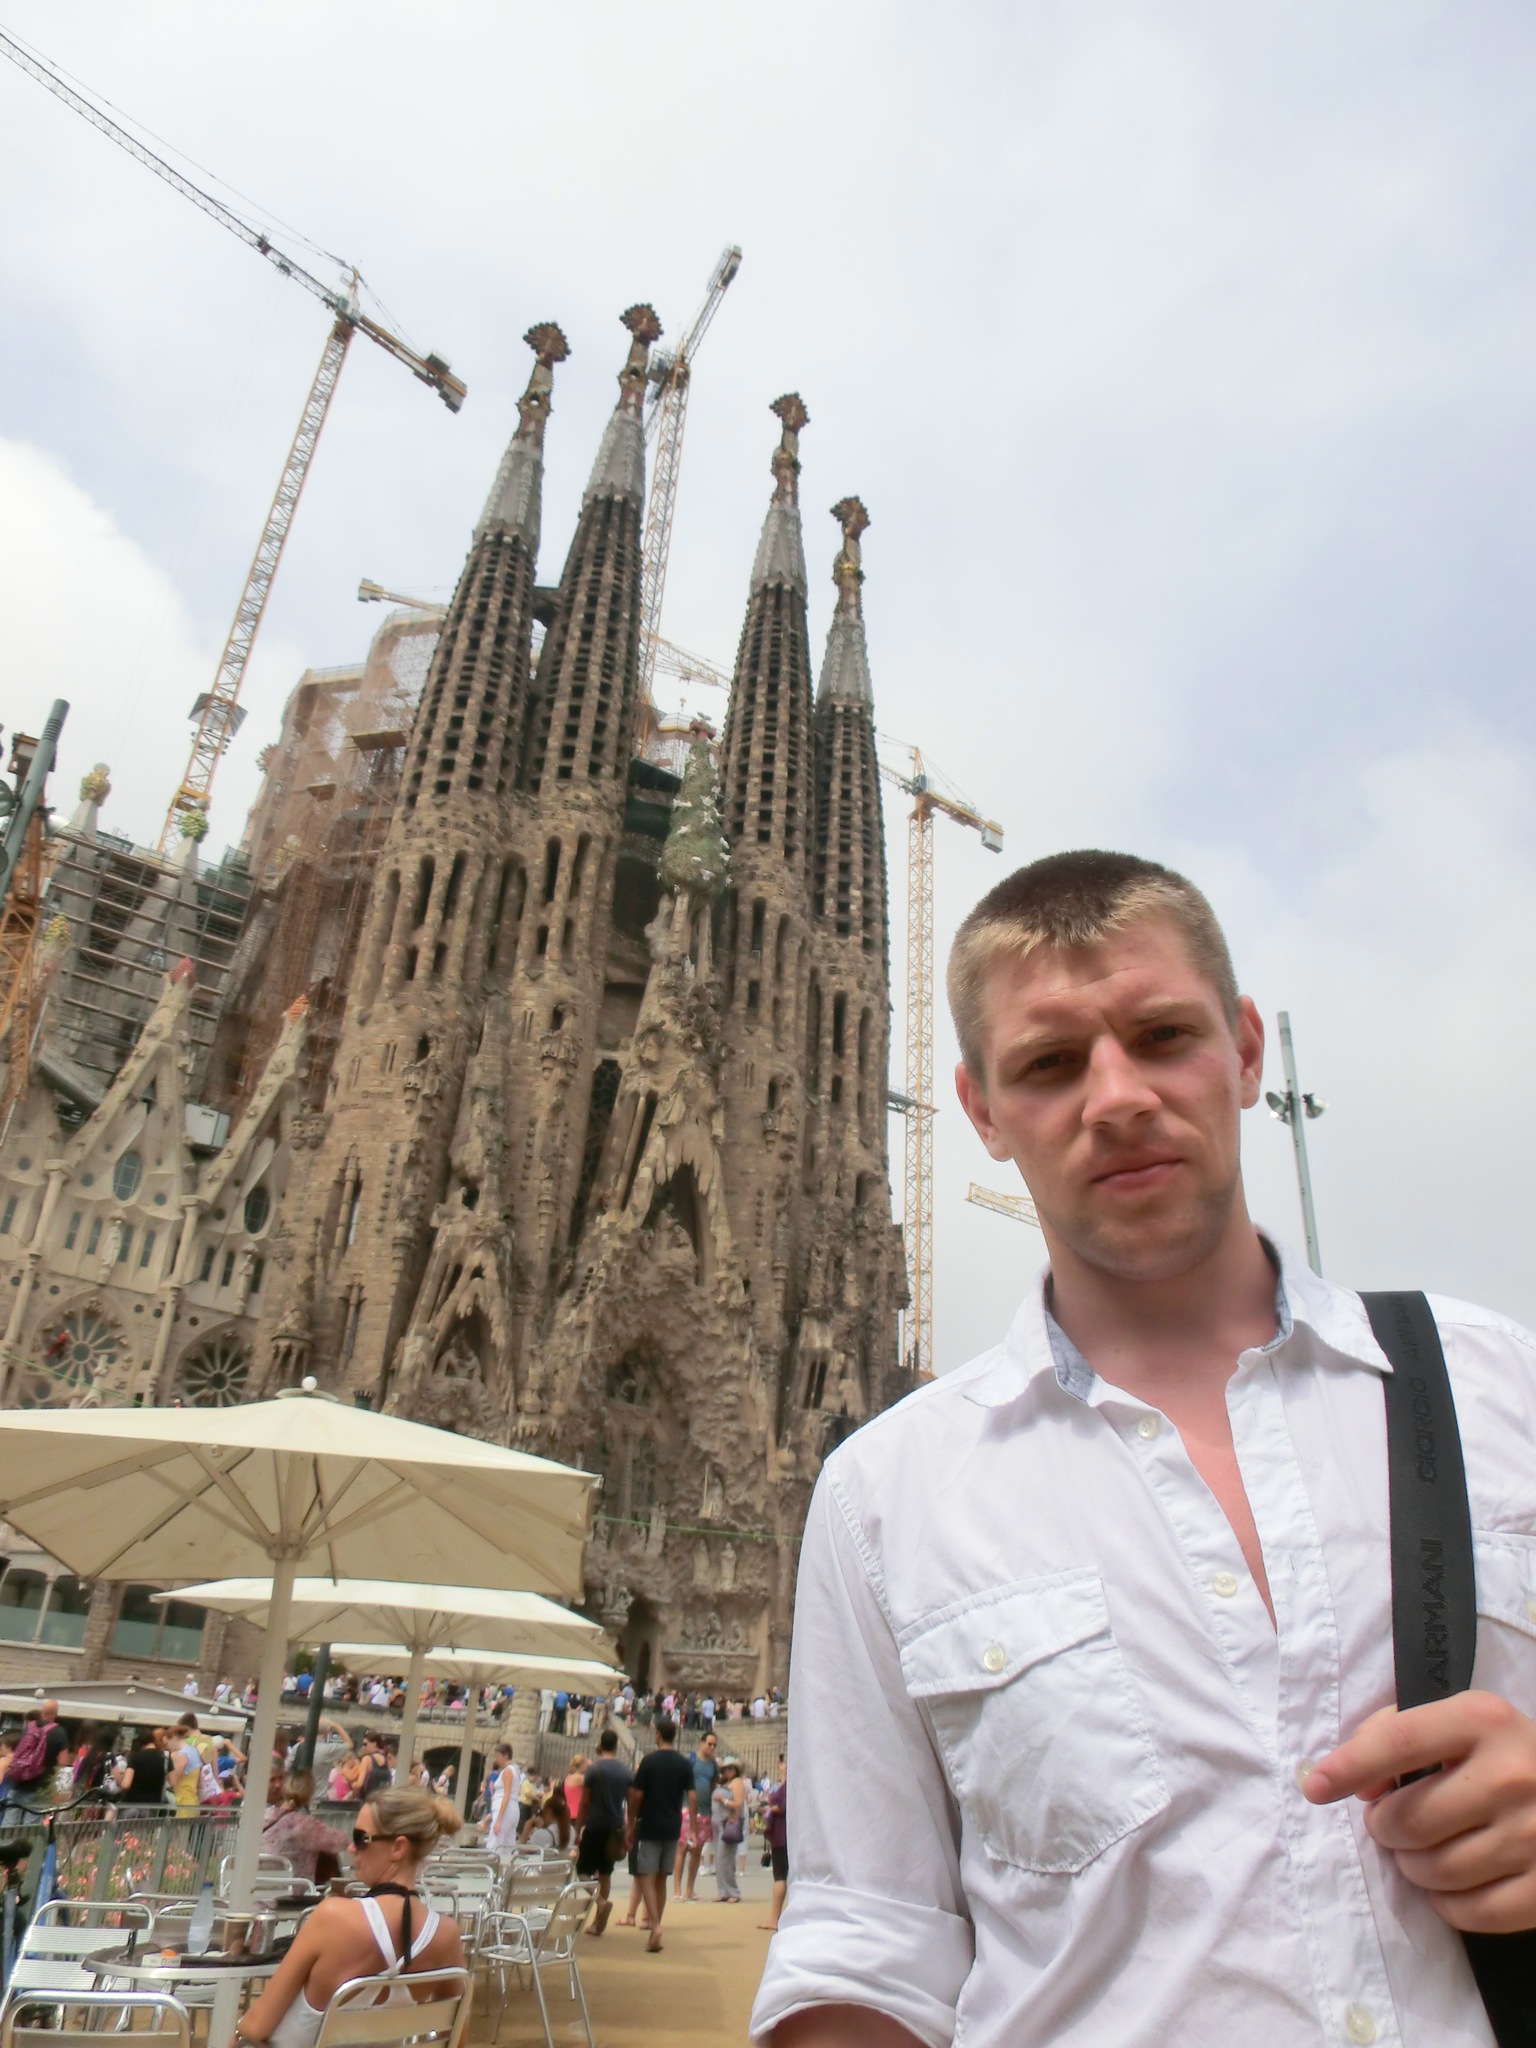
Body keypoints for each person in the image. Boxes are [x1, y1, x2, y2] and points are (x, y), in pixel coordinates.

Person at [752, 849, 1536, 2048]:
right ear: (982, 1109)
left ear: (1246, 1050)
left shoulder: (1501, 1388)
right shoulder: (887, 1493)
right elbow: (868, 1943)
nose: (1116, 1096)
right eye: (1051, 1062)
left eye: (1162, 1035)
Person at [237, 1787, 467, 2048]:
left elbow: (255, 2026)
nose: (350, 1847)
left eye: (361, 1838)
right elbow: (457, 2038)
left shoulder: (334, 1917)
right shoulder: (445, 1935)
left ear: (398, 1848)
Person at [625, 1716, 695, 1954]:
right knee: (662, 1878)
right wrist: (692, 1826)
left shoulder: (649, 1761)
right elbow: (692, 1796)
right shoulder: (683, 1763)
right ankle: (656, 1922)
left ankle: (654, 1924)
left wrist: (630, 1823)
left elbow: (636, 1796)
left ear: (657, 1735)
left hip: (650, 1823)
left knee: (646, 1874)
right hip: (672, 1824)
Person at [576, 1729, 633, 1936]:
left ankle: (600, 1902)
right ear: (616, 1746)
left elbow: (584, 1802)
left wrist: (578, 1828)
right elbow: (631, 1801)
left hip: (595, 1824)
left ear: (601, 1744)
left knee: (583, 1871)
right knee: (605, 1872)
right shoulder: (625, 1771)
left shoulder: (593, 1770)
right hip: (615, 1826)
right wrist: (628, 1827)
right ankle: (598, 1923)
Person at [262, 1768, 349, 1882]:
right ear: (310, 1795)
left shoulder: (265, 1816)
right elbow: (342, 1842)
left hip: (261, 1884)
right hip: (296, 1888)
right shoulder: (306, 1825)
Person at [675, 1729, 718, 1902]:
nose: (712, 1747)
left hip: (704, 1811)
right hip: (687, 1809)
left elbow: (713, 1784)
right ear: (701, 1743)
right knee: (682, 1848)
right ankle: (677, 1889)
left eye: (714, 1745)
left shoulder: (713, 1765)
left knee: (696, 1851)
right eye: (709, 1744)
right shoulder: (690, 1760)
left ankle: (689, 1890)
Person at [758, 1762, 787, 1934]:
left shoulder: (789, 1787)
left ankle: (774, 1918)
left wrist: (769, 1808)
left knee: (780, 1876)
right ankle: (776, 1917)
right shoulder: (786, 1785)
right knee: (781, 1876)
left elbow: (782, 1806)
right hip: (782, 1836)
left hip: (782, 1836)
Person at [712, 1758, 746, 1904]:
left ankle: (733, 1891)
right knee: (719, 1859)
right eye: (726, 1768)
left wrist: (723, 1800)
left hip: (728, 1823)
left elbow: (738, 1803)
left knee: (726, 1858)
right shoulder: (724, 1783)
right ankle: (722, 1891)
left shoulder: (737, 1782)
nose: (728, 1771)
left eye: (731, 1768)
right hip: (718, 1823)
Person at [484, 1743, 522, 1860]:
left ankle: (492, 1864)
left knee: (496, 1843)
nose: (497, 1759)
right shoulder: (516, 1770)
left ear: (506, 1756)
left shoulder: (508, 1771)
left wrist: (498, 1820)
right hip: (513, 1808)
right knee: (509, 1843)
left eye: (498, 1756)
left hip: (505, 1808)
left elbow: (506, 1794)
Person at [116, 1727, 167, 1806]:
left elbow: (126, 1785)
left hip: (132, 1803)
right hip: (154, 1805)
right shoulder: (164, 1758)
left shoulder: (136, 1757)